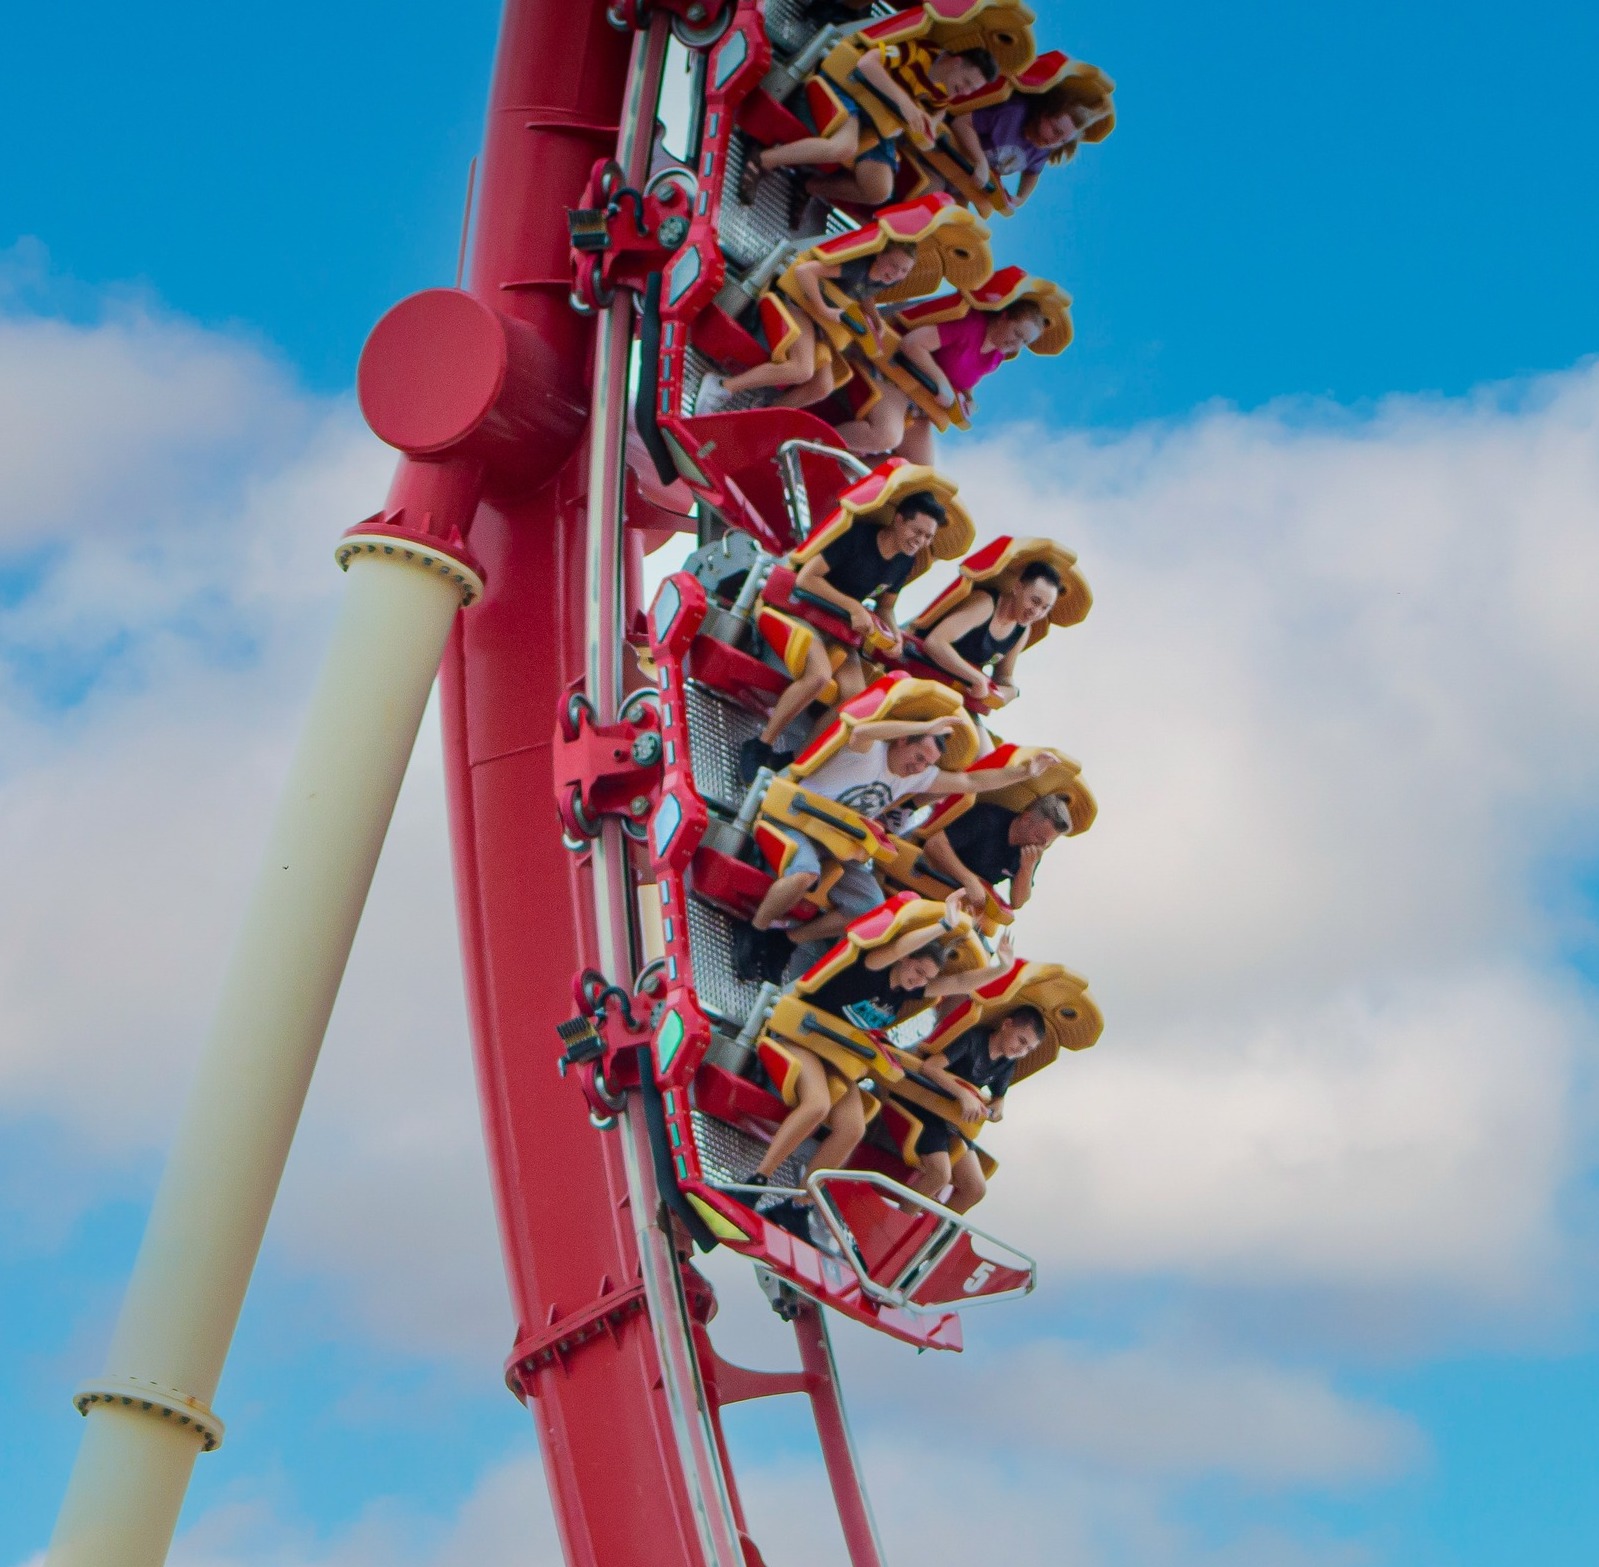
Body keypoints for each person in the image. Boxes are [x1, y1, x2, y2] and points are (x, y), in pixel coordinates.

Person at [747, 896, 1015, 1243]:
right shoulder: (873, 966)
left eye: (926, 977)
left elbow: (957, 983)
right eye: (917, 971)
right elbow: (899, 947)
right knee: (817, 1105)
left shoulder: (905, 993)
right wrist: (943, 926)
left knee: (853, 1128)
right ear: (905, 959)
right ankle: (758, 1180)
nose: (919, 980)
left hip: (838, 1058)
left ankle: (798, 1206)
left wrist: (1000, 969)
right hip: (803, 1039)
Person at [735, 717, 1062, 981]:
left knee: (870, 909)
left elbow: (971, 783)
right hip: (797, 821)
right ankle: (754, 931)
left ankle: (784, 941)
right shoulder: (870, 751)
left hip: (838, 844)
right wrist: (922, 726)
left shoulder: (915, 777)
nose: (919, 767)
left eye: (927, 763)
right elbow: (859, 729)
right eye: (918, 757)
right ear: (902, 741)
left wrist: (1023, 772)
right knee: (806, 874)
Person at [740, 492, 945, 782]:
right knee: (819, 676)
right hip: (802, 610)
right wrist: (853, 607)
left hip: (838, 629)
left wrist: (894, 635)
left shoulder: (903, 562)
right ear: (899, 520)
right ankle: (761, 745)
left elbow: (886, 606)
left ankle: (794, 761)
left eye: (927, 537)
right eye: (917, 531)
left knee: (855, 701)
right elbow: (807, 578)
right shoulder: (859, 537)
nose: (920, 541)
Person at [739, 41, 999, 210]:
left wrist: (929, 123)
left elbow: (938, 110)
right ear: (955, 62)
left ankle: (809, 186)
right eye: (967, 82)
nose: (965, 91)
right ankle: (763, 159)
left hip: (878, 123)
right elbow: (867, 63)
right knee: (843, 148)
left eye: (972, 89)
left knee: (879, 191)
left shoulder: (945, 90)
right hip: (853, 93)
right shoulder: (920, 52)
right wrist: (905, 103)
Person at [696, 242, 918, 415]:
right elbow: (805, 272)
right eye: (893, 265)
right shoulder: (858, 267)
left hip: (818, 323)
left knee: (822, 386)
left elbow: (866, 292)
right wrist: (823, 309)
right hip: (798, 305)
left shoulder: (887, 278)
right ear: (880, 255)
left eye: (903, 270)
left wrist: (876, 319)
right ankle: (723, 385)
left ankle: (763, 415)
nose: (896, 273)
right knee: (802, 370)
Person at [830, 297, 1046, 463]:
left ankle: (839, 472)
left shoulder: (996, 357)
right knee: (885, 436)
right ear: (1004, 317)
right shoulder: (971, 325)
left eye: (1024, 342)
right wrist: (941, 382)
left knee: (918, 468)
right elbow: (912, 344)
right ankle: (815, 442)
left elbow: (963, 382)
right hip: (892, 371)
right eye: (1017, 334)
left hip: (919, 399)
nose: (1017, 345)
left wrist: (968, 401)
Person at [906, 1005, 1043, 1212]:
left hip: (954, 1122)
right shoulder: (973, 1039)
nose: (1021, 1051)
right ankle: (901, 1218)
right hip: (926, 1108)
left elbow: (999, 1097)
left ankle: (930, 1227)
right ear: (1007, 1025)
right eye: (1021, 1041)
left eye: (1028, 1049)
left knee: (976, 1189)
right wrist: (963, 1094)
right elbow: (930, 1067)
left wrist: (997, 1107)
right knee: (940, 1175)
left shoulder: (1007, 1063)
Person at [916, 557, 1062, 707]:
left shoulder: (1022, 631)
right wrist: (977, 678)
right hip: (917, 669)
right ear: (1018, 587)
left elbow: (1003, 675)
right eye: (1035, 601)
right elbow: (934, 643)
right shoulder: (985, 605)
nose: (1036, 612)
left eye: (1045, 608)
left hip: (956, 692)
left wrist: (1012, 691)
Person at [921, 791, 1075, 915]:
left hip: (964, 903)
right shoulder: (988, 818)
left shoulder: (1032, 851)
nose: (1040, 846)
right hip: (932, 878)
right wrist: (969, 880)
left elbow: (1017, 902)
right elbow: (935, 845)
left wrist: (1027, 868)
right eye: (1038, 837)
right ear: (1026, 819)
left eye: (1047, 843)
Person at [969, 80, 1114, 209]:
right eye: (1056, 131)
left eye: (1063, 141)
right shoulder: (1012, 113)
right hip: (959, 156)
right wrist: (980, 160)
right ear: (1044, 112)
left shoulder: (1041, 151)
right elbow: (962, 122)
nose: (1054, 142)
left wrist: (1021, 197)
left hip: (973, 179)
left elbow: (1032, 174)